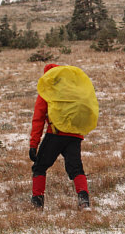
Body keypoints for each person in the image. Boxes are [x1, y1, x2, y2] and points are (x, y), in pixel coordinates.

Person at [29, 63, 90, 209]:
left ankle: (37, 201)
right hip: (75, 135)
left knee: (39, 167)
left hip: (55, 134)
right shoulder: (73, 90)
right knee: (76, 168)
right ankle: (84, 200)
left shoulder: (47, 91)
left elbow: (38, 119)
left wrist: (33, 144)